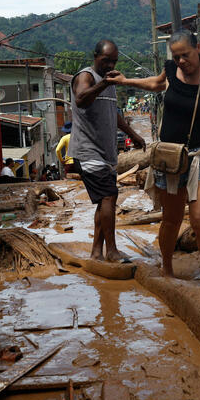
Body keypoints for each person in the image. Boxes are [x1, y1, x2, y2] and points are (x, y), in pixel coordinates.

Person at [109, 30, 200, 287]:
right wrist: (127, 81)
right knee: (171, 219)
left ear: (197, 48)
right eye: (176, 56)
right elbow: (156, 84)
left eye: (185, 54)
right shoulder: (171, 71)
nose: (181, 61)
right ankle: (167, 270)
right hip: (170, 156)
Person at [68, 39, 146, 261]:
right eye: (106, 61)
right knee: (110, 196)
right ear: (95, 57)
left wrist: (133, 134)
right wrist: (105, 83)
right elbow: (82, 99)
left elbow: (114, 113)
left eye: (114, 62)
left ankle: (96, 252)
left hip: (106, 153)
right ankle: (111, 251)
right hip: (88, 151)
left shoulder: (108, 82)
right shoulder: (86, 77)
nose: (110, 66)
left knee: (104, 202)